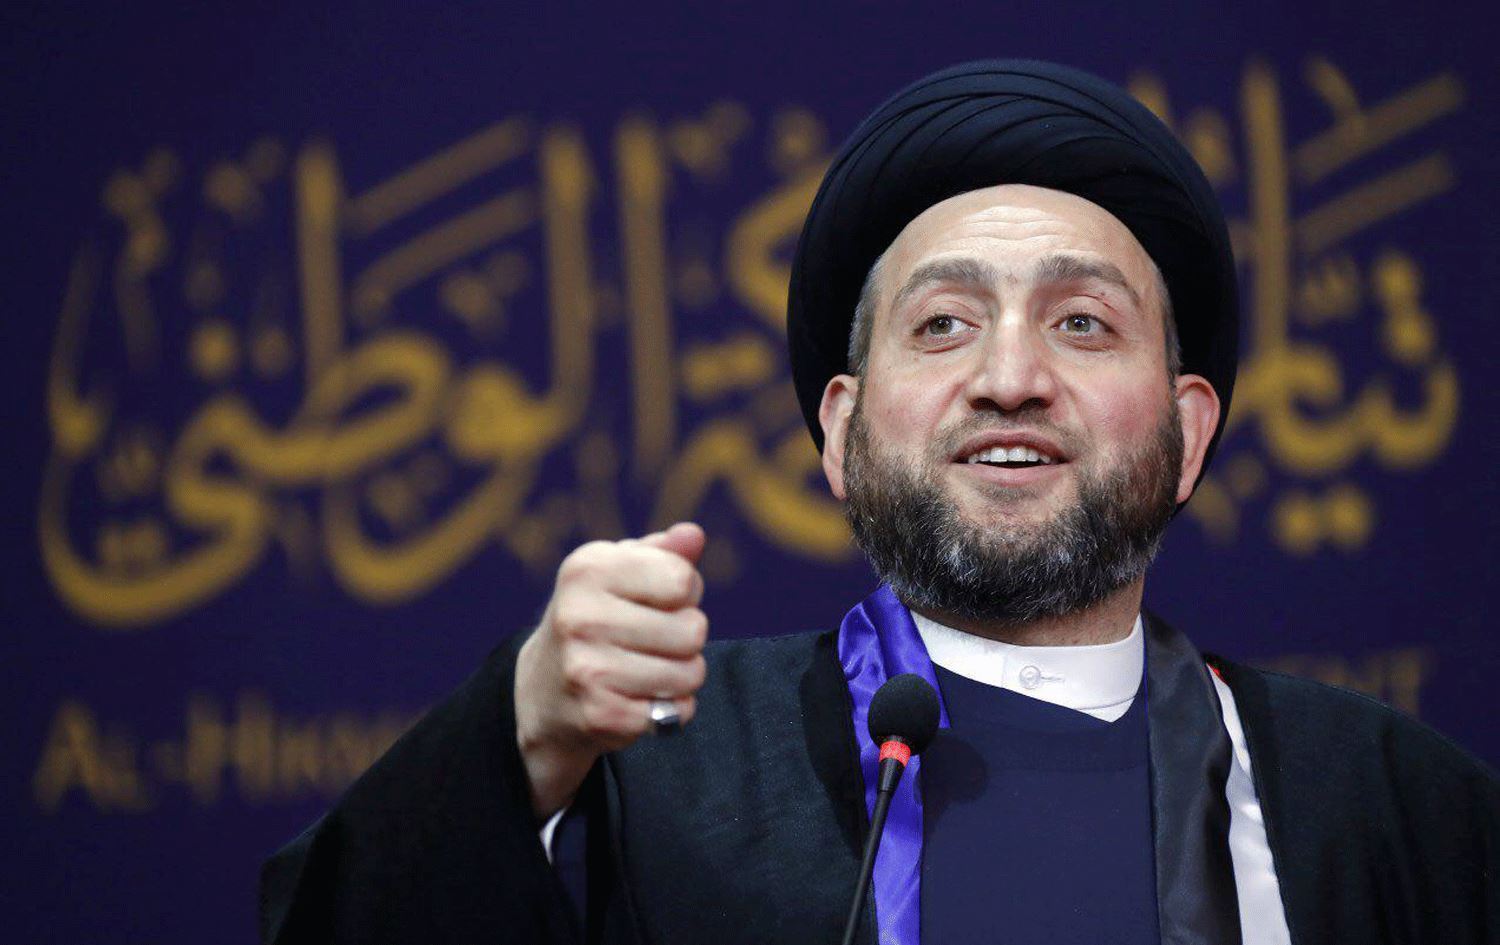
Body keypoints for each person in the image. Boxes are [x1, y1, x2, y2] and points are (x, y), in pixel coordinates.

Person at [260, 60, 1499, 945]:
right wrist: (522, 738)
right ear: (843, 435)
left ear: (1188, 436)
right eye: (944, 323)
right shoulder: (656, 775)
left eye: (1082, 323)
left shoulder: (1386, 804)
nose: (1011, 377)